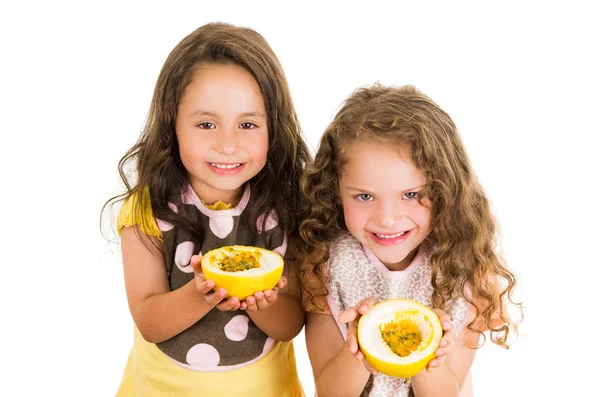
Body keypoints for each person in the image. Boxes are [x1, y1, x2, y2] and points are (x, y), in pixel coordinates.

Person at [102, 22, 311, 397]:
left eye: (247, 124)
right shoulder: (145, 210)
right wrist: (202, 293)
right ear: (173, 126)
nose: (227, 144)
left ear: (273, 129)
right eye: (206, 124)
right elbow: (149, 321)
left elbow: (291, 323)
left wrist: (261, 302)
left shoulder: (285, 208)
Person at [297, 84, 521, 396]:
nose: (387, 219)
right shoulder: (323, 265)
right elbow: (329, 391)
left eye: (411, 195)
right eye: (364, 196)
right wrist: (359, 345)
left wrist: (429, 347)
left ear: (445, 189)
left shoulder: (468, 272)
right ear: (336, 190)